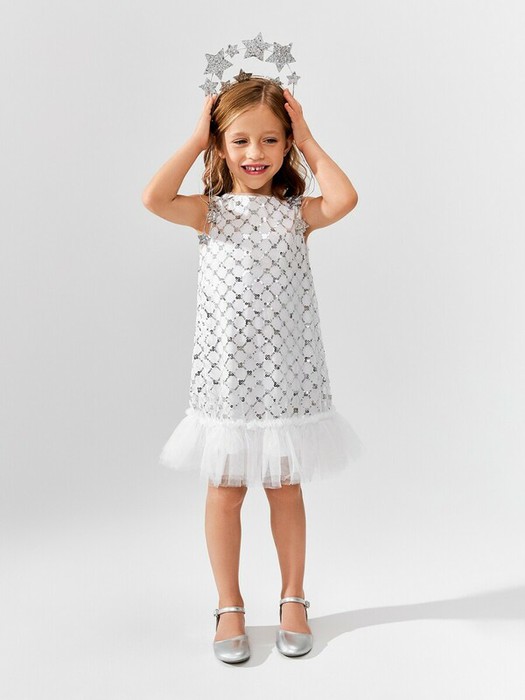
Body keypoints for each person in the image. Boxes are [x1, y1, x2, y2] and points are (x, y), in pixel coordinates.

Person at [142, 76, 363, 663]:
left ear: (285, 145)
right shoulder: (210, 214)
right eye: (240, 141)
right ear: (221, 146)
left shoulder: (296, 215)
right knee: (225, 490)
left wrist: (308, 138)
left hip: (285, 376)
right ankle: (229, 605)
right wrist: (198, 137)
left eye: (270, 140)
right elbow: (154, 198)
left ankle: (293, 598)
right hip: (226, 377)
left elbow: (344, 199)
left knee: (285, 487)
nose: (255, 153)